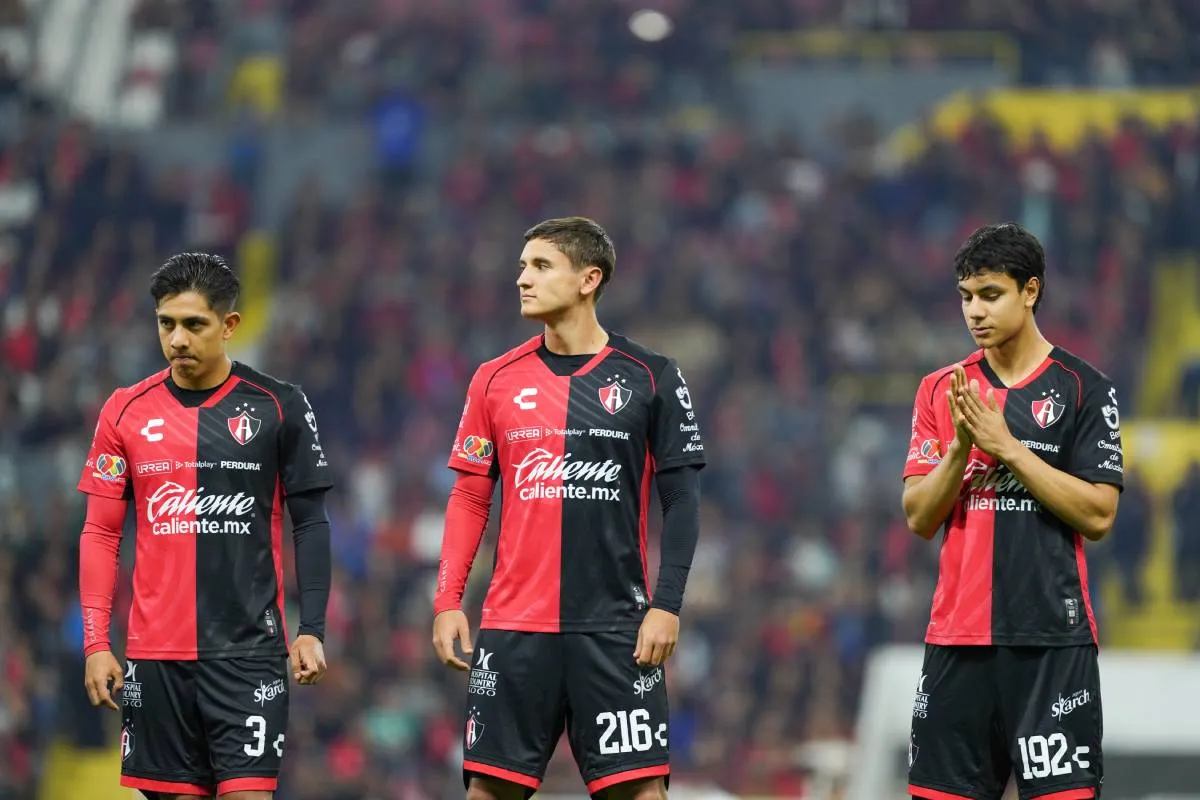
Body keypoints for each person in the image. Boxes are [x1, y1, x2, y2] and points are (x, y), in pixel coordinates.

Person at [432, 217, 705, 800]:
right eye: (521, 267)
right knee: (488, 792)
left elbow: (681, 499)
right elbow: (470, 494)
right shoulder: (494, 379)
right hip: (513, 630)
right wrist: (449, 600)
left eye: (540, 266)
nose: (522, 280)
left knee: (640, 794)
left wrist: (668, 605)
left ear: (589, 279)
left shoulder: (651, 376)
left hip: (614, 630)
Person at [77, 253, 334, 800]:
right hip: (156, 660)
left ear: (229, 325)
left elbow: (310, 523)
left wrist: (312, 628)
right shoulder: (123, 412)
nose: (177, 340)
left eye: (193, 324)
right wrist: (97, 643)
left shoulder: (277, 406)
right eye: (166, 323)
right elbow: (100, 533)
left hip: (249, 657)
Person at [902, 223, 1123, 800]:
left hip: (1050, 642)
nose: (975, 311)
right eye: (966, 297)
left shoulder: (1085, 389)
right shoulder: (940, 391)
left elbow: (1099, 515)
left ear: (1030, 291)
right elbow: (919, 516)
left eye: (991, 294)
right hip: (956, 642)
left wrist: (1006, 448)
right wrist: (960, 449)